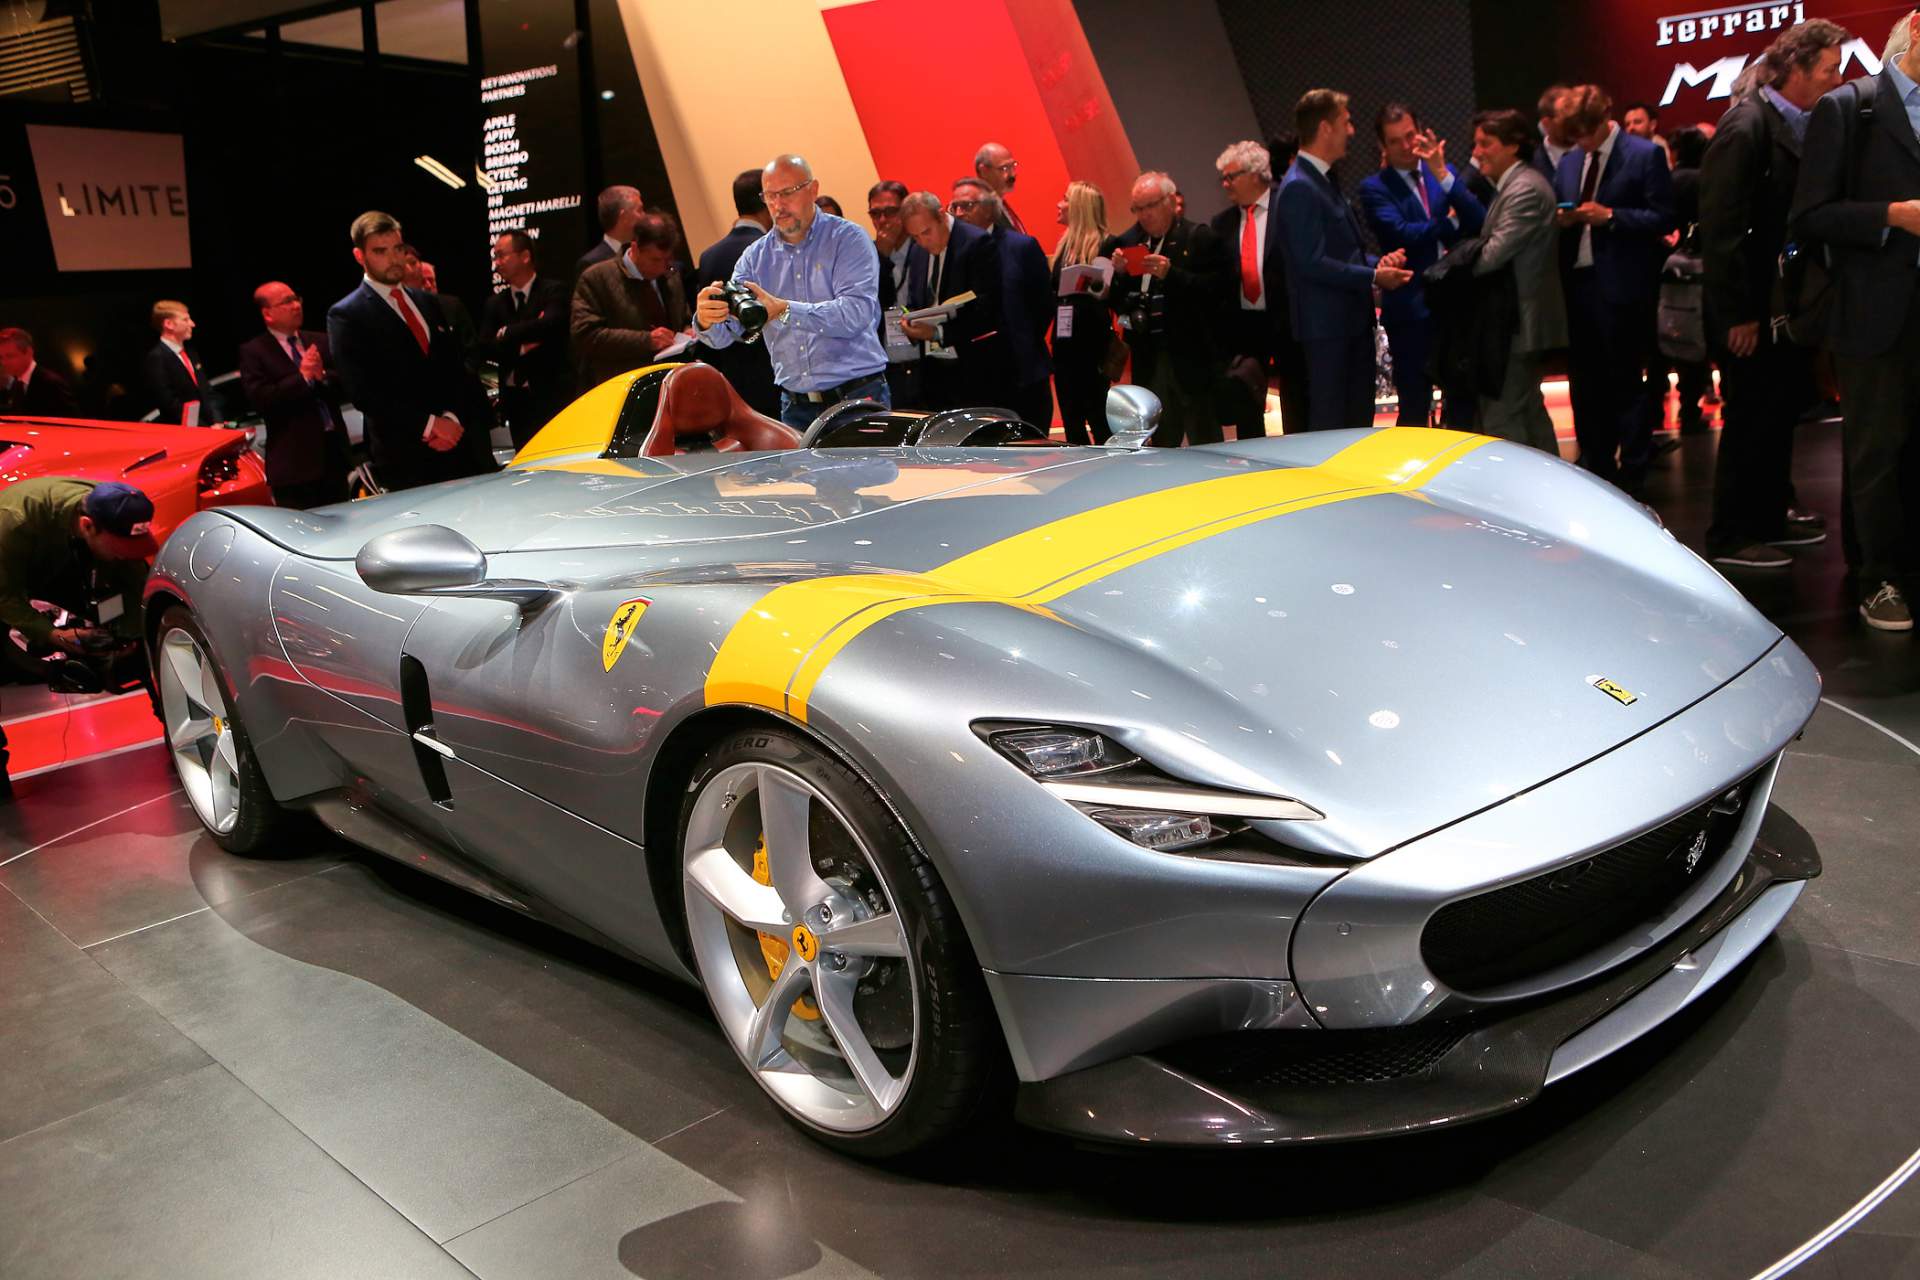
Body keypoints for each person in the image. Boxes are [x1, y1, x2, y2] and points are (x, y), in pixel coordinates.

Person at [1701, 19, 1850, 571]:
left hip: (1783, 307)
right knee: (1750, 418)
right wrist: (1738, 314)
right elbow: (1722, 231)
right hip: (1754, 310)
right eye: (1829, 69)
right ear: (1794, 69)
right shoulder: (1746, 129)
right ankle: (1732, 535)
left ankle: (1766, 518)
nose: (1838, 79)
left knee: (1776, 412)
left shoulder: (1792, 124)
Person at [1790, 10, 1920, 631]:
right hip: (1875, 310)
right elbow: (1810, 216)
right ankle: (1880, 578)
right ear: (1917, 28)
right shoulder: (1850, 108)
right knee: (1876, 451)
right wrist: (1892, 215)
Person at [694, 154, 889, 431]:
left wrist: (786, 310)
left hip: (857, 397)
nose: (778, 205)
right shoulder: (754, 257)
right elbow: (729, 334)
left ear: (813, 189)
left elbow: (856, 314)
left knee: (870, 476)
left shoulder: (848, 239)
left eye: (787, 193)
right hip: (795, 407)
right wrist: (707, 319)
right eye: (770, 196)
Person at [1553, 84, 1677, 493]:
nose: (1581, 144)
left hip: (1624, 285)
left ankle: (1636, 469)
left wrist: (1611, 217)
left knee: (1626, 381)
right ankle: (1595, 467)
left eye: (1586, 135)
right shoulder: (1570, 163)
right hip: (1577, 285)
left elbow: (1663, 218)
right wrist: (1563, 220)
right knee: (1584, 384)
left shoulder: (1644, 155)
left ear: (1603, 121)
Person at [0, 479, 157, 800]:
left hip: (56, 561)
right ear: (88, 527)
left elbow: (131, 573)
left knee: (138, 639)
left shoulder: (110, 509)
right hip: (7, 575)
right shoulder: (14, 522)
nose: (124, 554)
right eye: (118, 547)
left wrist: (129, 634)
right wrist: (54, 635)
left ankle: (174, 722)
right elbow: (4, 596)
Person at [327, 210, 492, 491]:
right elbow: (363, 392)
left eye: (398, 249)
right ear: (359, 256)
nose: (393, 259)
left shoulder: (428, 302)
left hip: (458, 444)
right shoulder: (346, 314)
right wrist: (429, 425)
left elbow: (454, 369)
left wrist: (451, 419)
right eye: (380, 251)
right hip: (404, 455)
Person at [1278, 89, 1413, 431]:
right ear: (1325, 128)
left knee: (1354, 424)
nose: (1351, 130)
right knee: (1334, 426)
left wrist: (1378, 264)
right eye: (1346, 122)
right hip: (1328, 332)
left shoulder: (1322, 180)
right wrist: (1373, 276)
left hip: (1346, 326)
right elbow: (1311, 262)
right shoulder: (1300, 186)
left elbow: (1343, 251)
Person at [1360, 104, 1487, 426]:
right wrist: (1447, 224)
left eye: (1409, 136)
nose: (1406, 147)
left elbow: (1477, 219)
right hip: (1410, 308)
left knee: (1462, 400)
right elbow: (1402, 233)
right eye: (1395, 141)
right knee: (1414, 405)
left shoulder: (1440, 172)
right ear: (1382, 147)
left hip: (1455, 305)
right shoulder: (1375, 187)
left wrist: (1443, 174)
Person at [1103, 171, 1228, 445]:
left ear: (1170, 201)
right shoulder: (1127, 243)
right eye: (1138, 208)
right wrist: (1120, 276)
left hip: (1191, 358)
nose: (1144, 215)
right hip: (1149, 357)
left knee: (1205, 440)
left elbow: (1217, 292)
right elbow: (1117, 302)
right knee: (1160, 442)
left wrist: (1172, 275)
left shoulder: (1198, 238)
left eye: (1151, 206)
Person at [1467, 109, 1567, 452]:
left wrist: (1453, 266)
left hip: (1519, 325)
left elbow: (1491, 255)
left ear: (1512, 147)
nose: (1477, 151)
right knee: (1527, 413)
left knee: (1503, 417)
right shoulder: (1517, 185)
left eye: (1485, 143)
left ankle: (1518, 499)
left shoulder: (1524, 189)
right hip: (1518, 324)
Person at [1211, 140, 1309, 438]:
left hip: (1288, 322)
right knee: (1247, 405)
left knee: (1296, 402)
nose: (1225, 184)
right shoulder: (1222, 223)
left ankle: (1299, 462)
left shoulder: (1289, 206)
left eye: (1231, 176)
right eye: (1223, 178)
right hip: (1245, 326)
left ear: (1255, 174)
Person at [237, 282, 350, 509]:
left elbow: (349, 383)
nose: (296, 305)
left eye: (296, 298)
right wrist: (303, 377)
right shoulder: (254, 351)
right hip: (294, 464)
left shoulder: (319, 340)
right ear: (267, 313)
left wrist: (322, 375)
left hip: (333, 454)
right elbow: (262, 400)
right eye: (286, 302)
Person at [954, 179, 1053, 426]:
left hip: (1022, 373)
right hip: (976, 379)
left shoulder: (1021, 247)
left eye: (966, 206)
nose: (958, 214)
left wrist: (1022, 340)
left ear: (989, 209)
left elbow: (1043, 304)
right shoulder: (953, 254)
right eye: (953, 206)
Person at [900, 189, 1008, 412]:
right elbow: (914, 300)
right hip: (933, 371)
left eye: (926, 232)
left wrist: (938, 332)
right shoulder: (917, 252)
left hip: (974, 370)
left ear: (941, 215)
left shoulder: (976, 243)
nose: (922, 241)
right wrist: (910, 321)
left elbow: (989, 309)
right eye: (915, 237)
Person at [694, 169, 781, 417]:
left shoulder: (709, 256)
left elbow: (712, 325)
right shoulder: (773, 250)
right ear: (766, 200)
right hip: (776, 380)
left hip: (733, 382)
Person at [572, 211, 692, 390]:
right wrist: (647, 340)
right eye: (655, 260)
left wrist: (688, 329)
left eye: (667, 260)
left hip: (673, 381)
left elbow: (683, 316)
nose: (662, 267)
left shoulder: (671, 273)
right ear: (635, 248)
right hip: (625, 387)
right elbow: (585, 335)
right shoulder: (596, 278)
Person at [481, 230, 572, 450]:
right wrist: (522, 347)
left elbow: (551, 326)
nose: (498, 263)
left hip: (553, 394)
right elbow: (486, 347)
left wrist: (507, 333)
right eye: (495, 257)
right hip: (516, 402)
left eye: (502, 255)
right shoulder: (495, 304)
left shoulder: (553, 290)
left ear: (525, 256)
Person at [1662, 125, 1715, 440]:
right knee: (1699, 336)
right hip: (1701, 269)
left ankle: (1677, 406)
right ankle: (1691, 408)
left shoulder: (1670, 181)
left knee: (1677, 338)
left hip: (1672, 269)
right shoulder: (1705, 181)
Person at [1051, 180, 1114, 445]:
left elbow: (1107, 296)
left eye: (1065, 199)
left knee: (1099, 417)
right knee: (1071, 419)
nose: (1059, 204)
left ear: (1079, 207)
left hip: (1092, 345)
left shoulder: (1105, 246)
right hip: (1064, 345)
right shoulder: (1063, 247)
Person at [867, 179, 921, 410]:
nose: (882, 221)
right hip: (887, 367)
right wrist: (881, 258)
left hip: (924, 363)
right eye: (875, 213)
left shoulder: (924, 250)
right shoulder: (867, 257)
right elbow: (871, 306)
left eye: (890, 212)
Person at [143, 300, 204, 426]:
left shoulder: (190, 352)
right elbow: (170, 404)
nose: (192, 324)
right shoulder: (157, 358)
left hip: (210, 429)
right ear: (169, 324)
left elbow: (206, 391)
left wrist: (217, 421)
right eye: (185, 320)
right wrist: (205, 427)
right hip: (187, 433)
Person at [0, 328, 79, 416]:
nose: (3, 363)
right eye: (1, 357)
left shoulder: (51, 384)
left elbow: (71, 423)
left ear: (29, 353)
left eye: (10, 356)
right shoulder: (17, 383)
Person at [578, 185, 645, 278]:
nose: (644, 216)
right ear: (624, 216)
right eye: (640, 210)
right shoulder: (591, 263)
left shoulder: (645, 253)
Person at [974, 141, 1027, 234]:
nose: (1013, 175)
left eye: (1013, 166)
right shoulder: (979, 212)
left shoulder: (1000, 204)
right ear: (984, 171)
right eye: (1004, 168)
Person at [1533, 85, 1574, 182]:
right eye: (1567, 120)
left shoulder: (1594, 154)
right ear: (1546, 123)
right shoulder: (1531, 167)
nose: (1576, 124)